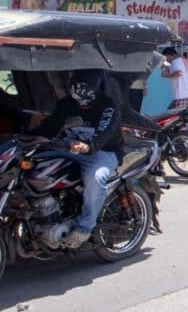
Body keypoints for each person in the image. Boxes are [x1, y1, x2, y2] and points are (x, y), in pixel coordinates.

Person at [30, 69, 122, 248]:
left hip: (102, 152)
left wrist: (90, 146)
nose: (78, 91)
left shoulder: (108, 106)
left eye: (84, 87)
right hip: (68, 148)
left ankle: (84, 228)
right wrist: (29, 138)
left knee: (95, 179)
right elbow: (51, 126)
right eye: (76, 85)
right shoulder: (66, 104)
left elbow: (106, 132)